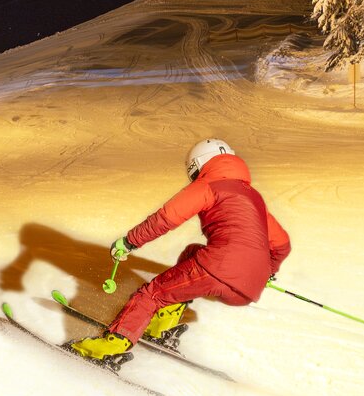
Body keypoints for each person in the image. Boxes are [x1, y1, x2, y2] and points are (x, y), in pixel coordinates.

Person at [71, 138, 291, 360]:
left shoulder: (209, 185)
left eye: (194, 172)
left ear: (201, 164)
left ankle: (110, 347)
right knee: (192, 252)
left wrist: (130, 242)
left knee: (152, 294)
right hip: (249, 288)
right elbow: (282, 244)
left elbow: (165, 218)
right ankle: (161, 325)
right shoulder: (252, 196)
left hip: (217, 268)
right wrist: (265, 271)